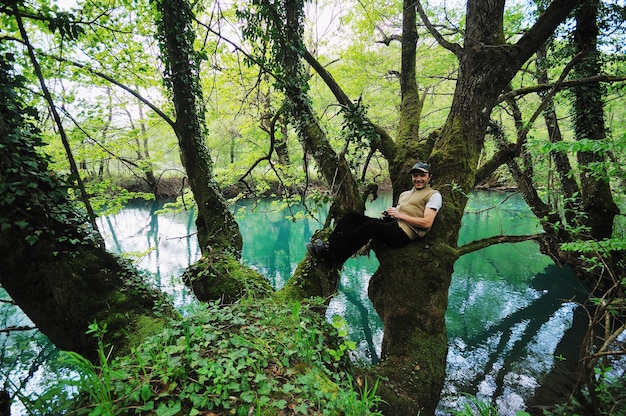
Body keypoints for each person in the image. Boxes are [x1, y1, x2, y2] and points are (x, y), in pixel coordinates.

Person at [306, 161, 442, 263]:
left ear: (429, 177)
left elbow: (426, 223)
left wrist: (399, 215)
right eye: (415, 176)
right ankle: (330, 246)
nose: (418, 178)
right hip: (394, 225)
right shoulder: (405, 194)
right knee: (352, 218)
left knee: (370, 227)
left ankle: (331, 256)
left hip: (405, 234)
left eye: (422, 175)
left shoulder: (433, 195)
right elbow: (399, 214)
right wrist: (388, 215)